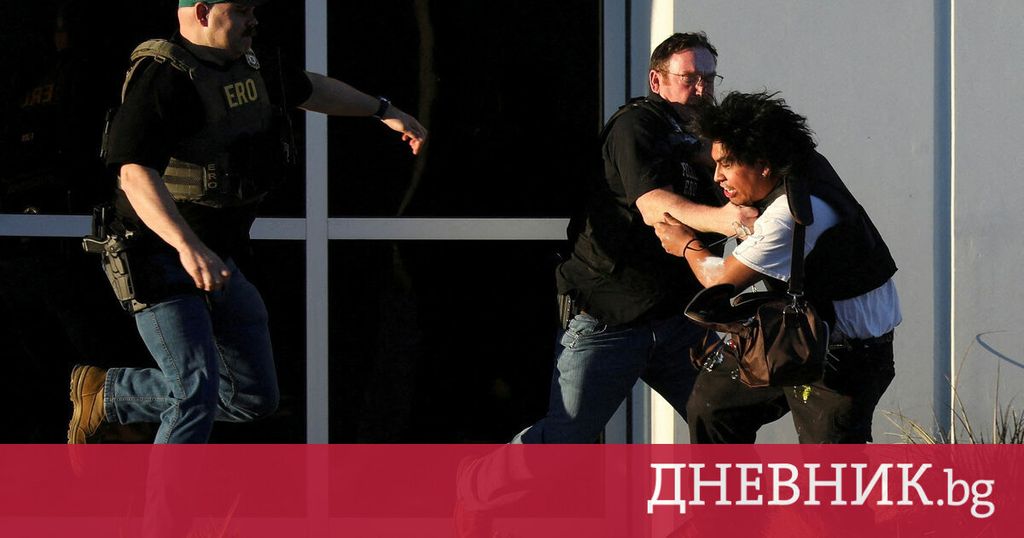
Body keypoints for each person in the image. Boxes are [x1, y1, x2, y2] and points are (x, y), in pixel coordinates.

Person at [67, 0, 427, 444]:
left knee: (251, 396)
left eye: (253, 9)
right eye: (240, 10)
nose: (253, 20)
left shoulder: (248, 67)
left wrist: (383, 110)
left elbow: (310, 89)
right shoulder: (163, 77)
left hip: (218, 257)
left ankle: (110, 393)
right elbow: (134, 173)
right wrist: (186, 246)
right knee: (194, 391)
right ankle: (169, 494)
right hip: (158, 257)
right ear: (202, 13)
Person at [511, 32, 756, 443]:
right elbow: (653, 205)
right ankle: (476, 480)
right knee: (566, 440)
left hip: (680, 320)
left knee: (726, 425)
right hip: (610, 315)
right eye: (689, 78)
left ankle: (720, 491)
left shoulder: (708, 135)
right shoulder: (636, 125)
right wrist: (725, 220)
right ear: (657, 81)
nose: (701, 90)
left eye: (709, 79)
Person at [654, 91, 901, 443]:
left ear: (764, 164)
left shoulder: (790, 215)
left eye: (727, 164)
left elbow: (718, 282)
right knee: (713, 408)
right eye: (715, 163)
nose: (717, 177)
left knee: (828, 473)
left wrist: (685, 244)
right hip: (794, 334)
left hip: (844, 360)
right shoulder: (804, 165)